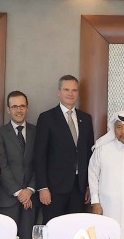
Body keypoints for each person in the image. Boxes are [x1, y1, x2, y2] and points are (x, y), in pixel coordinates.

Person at [32, 76, 94, 222]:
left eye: (74, 90)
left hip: (79, 189)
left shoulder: (86, 119)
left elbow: (89, 155)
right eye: (66, 89)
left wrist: (89, 186)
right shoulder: (47, 118)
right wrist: (42, 188)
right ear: (58, 92)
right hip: (53, 189)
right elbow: (39, 155)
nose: (70, 93)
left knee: (75, 230)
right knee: (53, 230)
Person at [0, 91, 38, 239]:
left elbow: (40, 164)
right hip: (7, 200)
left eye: (22, 106)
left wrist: (30, 190)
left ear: (27, 108)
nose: (18, 110)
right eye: (14, 106)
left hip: (31, 200)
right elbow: (2, 165)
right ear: (8, 109)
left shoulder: (37, 132)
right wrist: (19, 192)